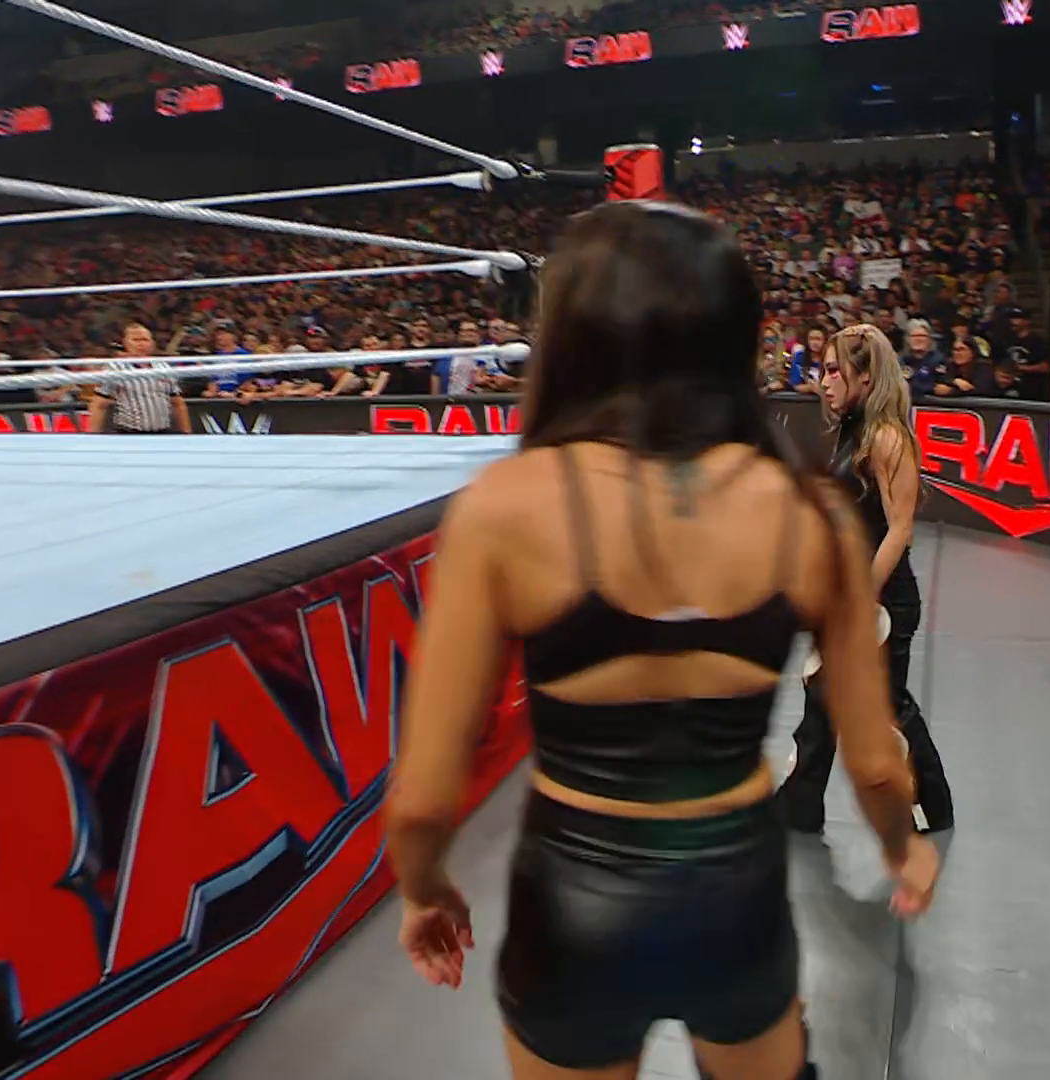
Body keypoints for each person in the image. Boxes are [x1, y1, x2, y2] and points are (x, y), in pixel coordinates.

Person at [383, 201, 940, 1080]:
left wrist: (426, 890)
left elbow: (422, 798)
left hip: (571, 898)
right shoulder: (808, 514)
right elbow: (874, 762)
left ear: (573, 335)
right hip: (733, 896)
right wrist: (904, 849)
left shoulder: (505, 509)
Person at [779, 324, 956, 836]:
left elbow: (900, 529)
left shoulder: (886, 437)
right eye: (824, 369)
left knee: (889, 707)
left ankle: (935, 807)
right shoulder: (852, 431)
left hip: (884, 601)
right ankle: (800, 806)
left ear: (866, 376)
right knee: (821, 702)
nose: (824, 381)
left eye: (835, 370)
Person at [89, 322, 190, 434]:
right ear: (125, 343)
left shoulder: (163, 367)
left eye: (144, 340)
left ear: (152, 343)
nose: (141, 344)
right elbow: (99, 404)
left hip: (162, 433)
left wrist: (186, 433)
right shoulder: (115, 368)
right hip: (129, 433)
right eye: (136, 340)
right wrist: (92, 436)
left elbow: (177, 404)